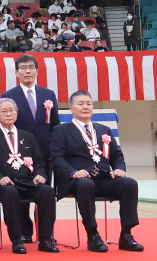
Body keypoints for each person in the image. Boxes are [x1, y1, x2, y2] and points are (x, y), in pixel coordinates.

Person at [50, 90, 143, 252]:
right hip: (77, 180)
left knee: (129, 183)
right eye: (80, 104)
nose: (85, 107)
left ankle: (126, 235)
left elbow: (116, 155)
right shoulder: (61, 130)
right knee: (86, 184)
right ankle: (92, 234)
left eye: (88, 103)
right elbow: (56, 158)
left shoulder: (104, 129)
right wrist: (73, 172)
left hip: (102, 178)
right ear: (71, 108)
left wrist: (119, 169)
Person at [0, 98, 59, 254]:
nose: (8, 114)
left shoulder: (28, 136)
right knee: (10, 192)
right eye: (4, 111)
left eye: (11, 111)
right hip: (4, 184)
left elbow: (39, 162)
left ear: (16, 114)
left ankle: (45, 239)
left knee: (47, 191)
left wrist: (39, 175)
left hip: (28, 182)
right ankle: (17, 238)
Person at [0, 53, 59, 241]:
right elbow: (7, 125)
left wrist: (55, 151)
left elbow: (55, 126)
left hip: (45, 152)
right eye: (23, 68)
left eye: (31, 67)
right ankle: (25, 231)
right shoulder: (8, 96)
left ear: (37, 70)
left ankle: (46, 233)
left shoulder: (48, 95)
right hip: (18, 153)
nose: (28, 71)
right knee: (21, 191)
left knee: (45, 192)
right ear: (16, 72)